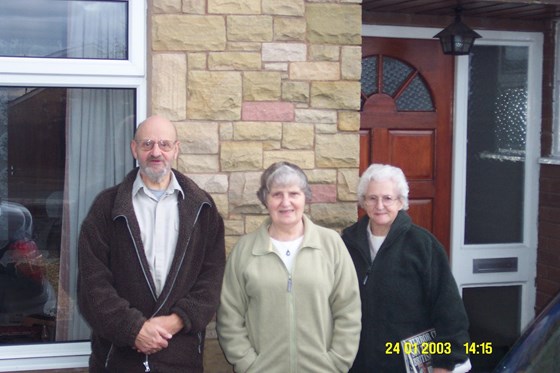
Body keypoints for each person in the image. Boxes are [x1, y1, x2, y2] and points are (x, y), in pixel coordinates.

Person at [77, 115, 225, 372]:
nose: (156, 152)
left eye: (164, 144)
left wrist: (176, 322)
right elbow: (93, 284)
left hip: (180, 358)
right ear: (135, 149)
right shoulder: (107, 207)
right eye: (147, 144)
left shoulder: (202, 208)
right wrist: (133, 329)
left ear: (176, 149)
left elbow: (211, 279)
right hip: (118, 359)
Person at [217, 161, 361, 373]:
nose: (286, 202)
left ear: (305, 197)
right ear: (265, 199)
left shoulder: (331, 244)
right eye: (277, 194)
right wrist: (248, 364)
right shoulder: (246, 250)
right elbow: (229, 316)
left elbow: (348, 309)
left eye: (294, 193)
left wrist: (336, 362)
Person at [342, 163, 471, 373]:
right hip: (357, 364)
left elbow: (449, 312)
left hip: (407, 365)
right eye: (372, 198)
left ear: (401, 201)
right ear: (363, 201)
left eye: (387, 198)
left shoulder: (423, 246)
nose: (379, 205)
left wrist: (445, 364)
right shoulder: (347, 243)